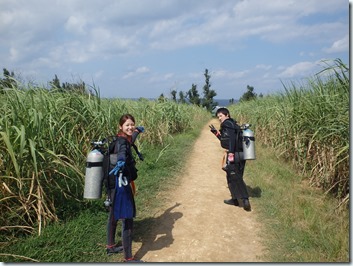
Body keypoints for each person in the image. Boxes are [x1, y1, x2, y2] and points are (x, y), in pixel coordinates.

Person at [105, 114, 144, 262]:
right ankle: (129, 258)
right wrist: (121, 161)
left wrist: (137, 132)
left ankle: (110, 246)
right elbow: (122, 151)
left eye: (132, 124)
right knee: (127, 218)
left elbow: (130, 140)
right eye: (127, 125)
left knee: (114, 215)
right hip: (120, 184)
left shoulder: (120, 138)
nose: (130, 127)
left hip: (111, 184)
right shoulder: (122, 142)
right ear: (120, 126)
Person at [209, 107, 251, 212]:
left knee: (232, 176)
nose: (219, 118)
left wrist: (231, 154)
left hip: (235, 153)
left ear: (227, 115)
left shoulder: (227, 123)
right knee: (237, 175)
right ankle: (235, 199)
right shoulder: (233, 124)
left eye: (221, 116)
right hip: (242, 154)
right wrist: (216, 133)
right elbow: (226, 140)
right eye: (218, 116)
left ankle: (245, 200)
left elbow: (231, 139)